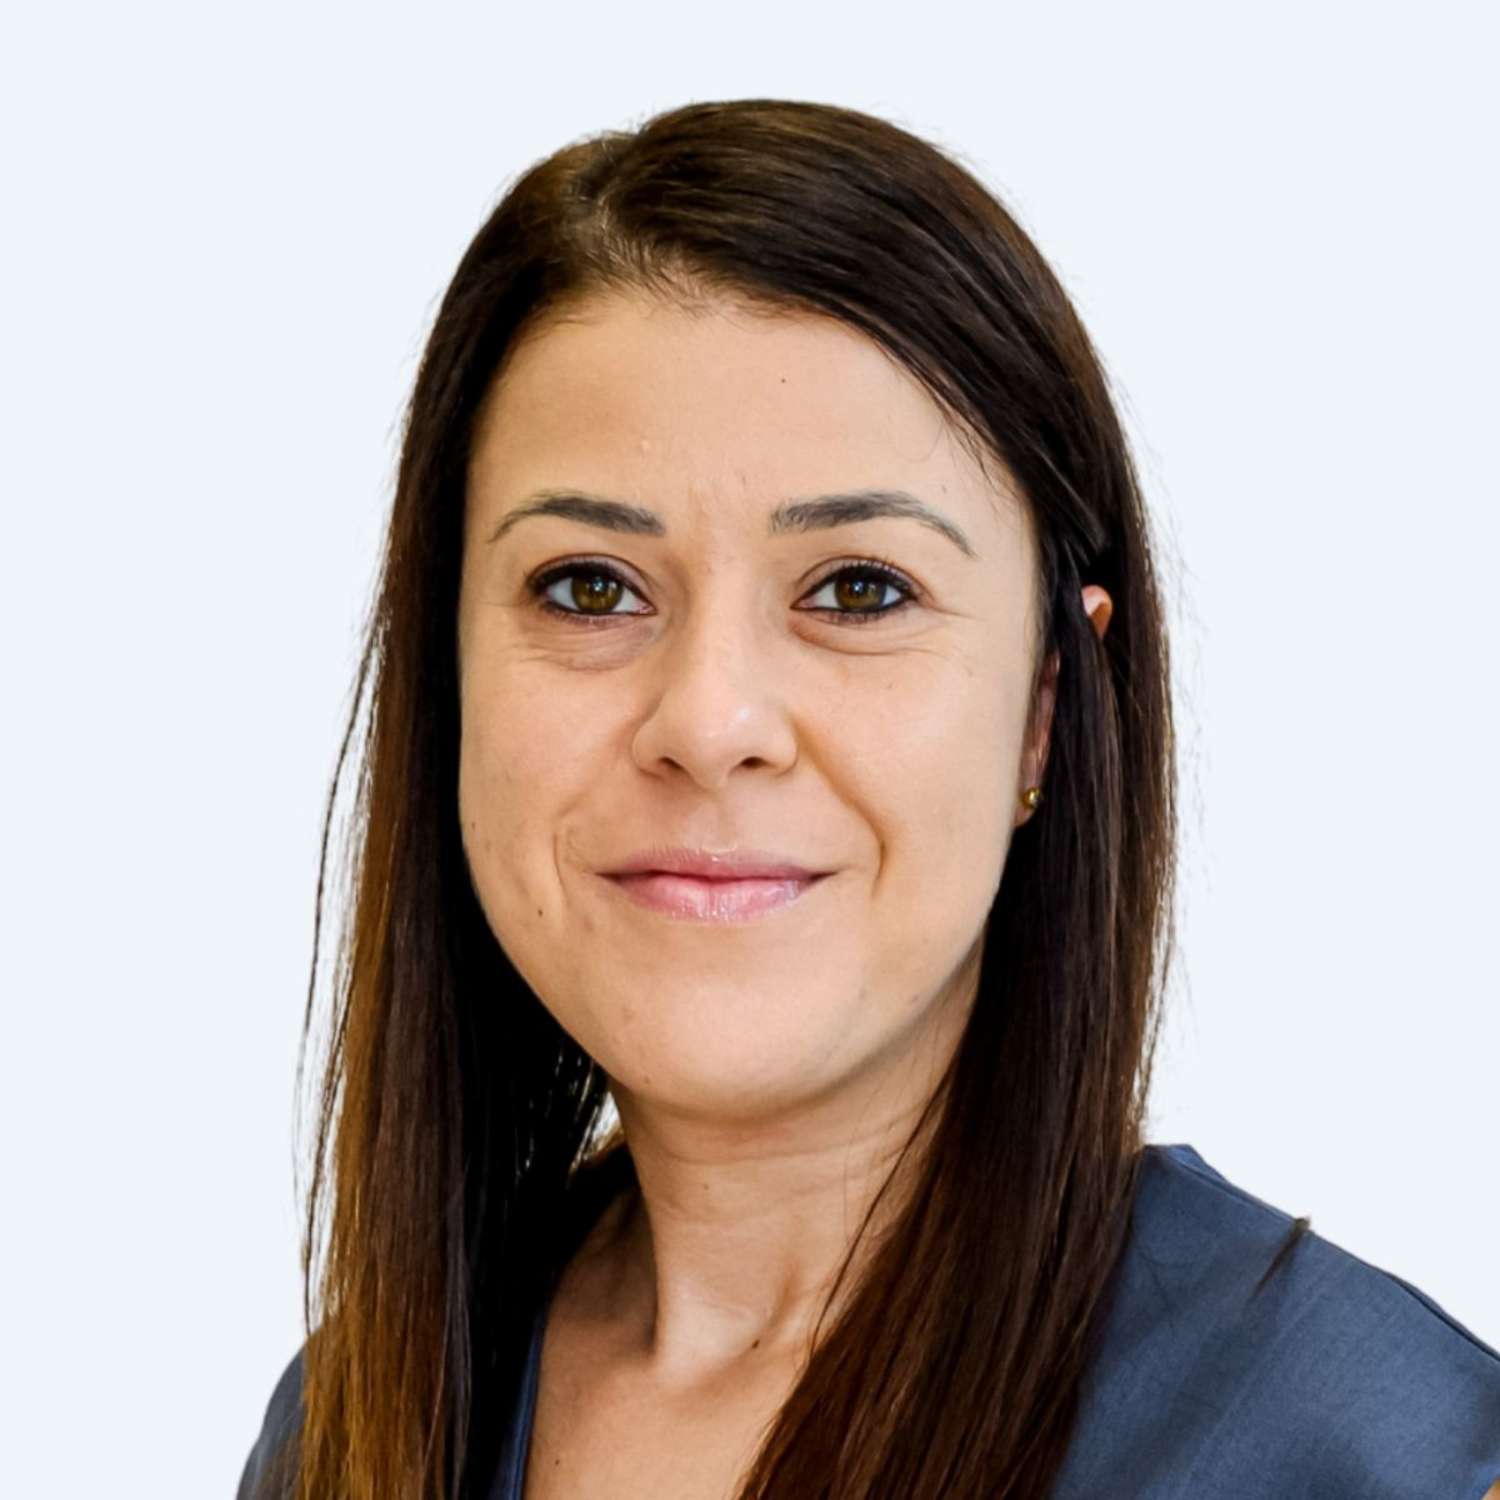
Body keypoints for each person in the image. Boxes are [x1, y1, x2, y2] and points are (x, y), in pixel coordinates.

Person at [236, 99, 1500, 1500]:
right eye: (590, 587)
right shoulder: (352, 1424)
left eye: (858, 590)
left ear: (1046, 708)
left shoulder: (1382, 1454)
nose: (709, 723)